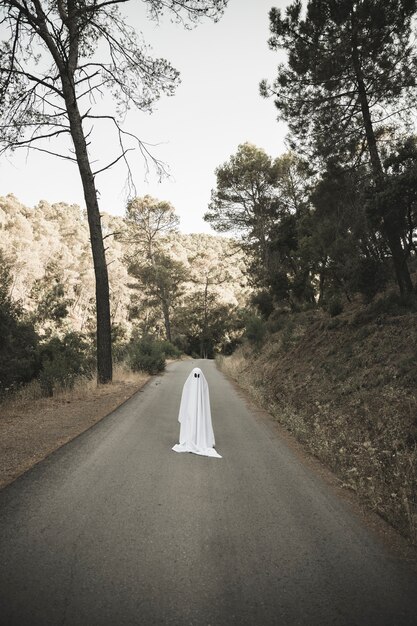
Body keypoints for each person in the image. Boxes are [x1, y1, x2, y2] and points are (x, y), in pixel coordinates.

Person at [172, 367, 222, 458]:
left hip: (200, 413)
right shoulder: (188, 385)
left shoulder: (204, 385)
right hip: (189, 410)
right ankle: (189, 439)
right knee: (190, 421)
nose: (196, 378)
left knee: (199, 422)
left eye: (198, 376)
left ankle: (200, 439)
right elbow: (185, 399)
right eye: (195, 375)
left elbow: (205, 404)